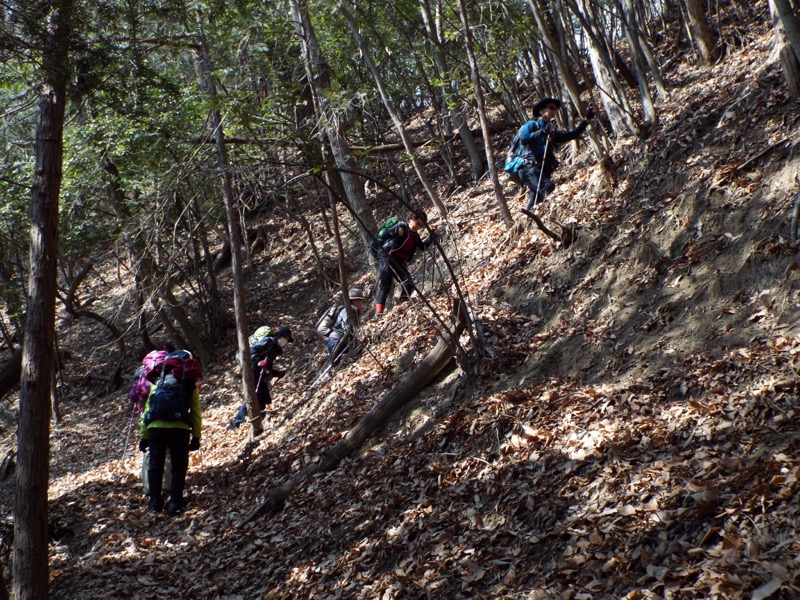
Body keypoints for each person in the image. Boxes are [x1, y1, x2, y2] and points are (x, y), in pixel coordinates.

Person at [139, 350, 202, 516]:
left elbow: (148, 411)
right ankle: (175, 503)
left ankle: (155, 504)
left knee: (155, 466)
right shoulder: (190, 386)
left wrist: (144, 436)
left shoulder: (158, 385)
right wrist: (196, 436)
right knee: (179, 467)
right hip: (179, 428)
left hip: (155, 428)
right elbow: (195, 413)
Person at [513, 98, 594, 216]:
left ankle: (529, 223)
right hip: (528, 168)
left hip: (541, 170)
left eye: (555, 109)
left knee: (536, 200)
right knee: (548, 187)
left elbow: (573, 134)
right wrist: (542, 131)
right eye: (551, 107)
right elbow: (524, 138)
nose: (554, 110)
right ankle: (549, 218)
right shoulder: (531, 125)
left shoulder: (552, 132)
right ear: (541, 111)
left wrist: (586, 120)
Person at [374, 211, 438, 317]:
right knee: (385, 287)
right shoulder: (400, 225)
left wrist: (432, 235)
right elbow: (384, 235)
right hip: (386, 257)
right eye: (417, 223)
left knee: (409, 284)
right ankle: (378, 314)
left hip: (398, 262)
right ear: (410, 219)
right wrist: (395, 231)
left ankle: (401, 307)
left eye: (421, 225)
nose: (418, 226)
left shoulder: (415, 236)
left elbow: (422, 247)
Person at [229, 325, 292, 429]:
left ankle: (258, 419)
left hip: (259, 371)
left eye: (287, 340)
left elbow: (267, 364)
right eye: (285, 338)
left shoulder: (275, 348)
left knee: (263, 397)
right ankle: (236, 423)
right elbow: (252, 351)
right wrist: (258, 362)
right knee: (254, 396)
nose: (285, 341)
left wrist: (276, 373)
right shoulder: (268, 341)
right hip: (252, 370)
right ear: (279, 335)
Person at [326, 288, 366, 365]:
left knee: (334, 362)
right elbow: (346, 327)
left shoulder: (348, 309)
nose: (362, 302)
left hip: (335, 339)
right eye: (360, 300)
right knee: (335, 362)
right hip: (338, 340)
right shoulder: (351, 309)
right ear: (354, 300)